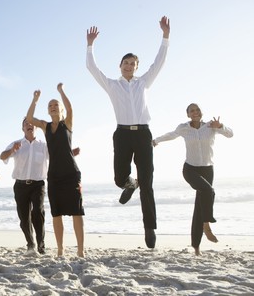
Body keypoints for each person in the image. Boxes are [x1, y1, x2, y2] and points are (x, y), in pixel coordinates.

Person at [86, 16, 170, 248]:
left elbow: (159, 63)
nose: (129, 66)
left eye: (133, 63)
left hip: (143, 135)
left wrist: (165, 36)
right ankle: (129, 184)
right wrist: (90, 45)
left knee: (148, 183)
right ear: (120, 65)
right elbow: (91, 68)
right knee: (118, 177)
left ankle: (149, 228)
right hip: (122, 135)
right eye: (126, 63)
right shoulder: (112, 85)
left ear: (136, 67)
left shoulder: (144, 83)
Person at [153, 103, 233, 255]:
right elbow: (171, 135)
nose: (195, 112)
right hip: (190, 169)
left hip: (208, 169)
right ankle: (207, 224)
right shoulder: (184, 128)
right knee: (208, 190)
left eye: (197, 110)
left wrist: (221, 125)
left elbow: (230, 134)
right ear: (188, 114)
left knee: (200, 204)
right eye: (192, 111)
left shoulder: (211, 126)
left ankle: (196, 246)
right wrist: (156, 140)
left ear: (201, 112)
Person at [26, 83, 85, 257]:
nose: (53, 107)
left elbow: (70, 107)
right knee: (56, 213)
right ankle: (60, 249)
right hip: (54, 176)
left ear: (60, 109)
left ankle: (80, 250)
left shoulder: (67, 123)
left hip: (71, 174)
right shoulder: (44, 126)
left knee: (77, 211)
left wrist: (61, 91)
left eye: (55, 105)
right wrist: (35, 100)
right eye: (50, 105)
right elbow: (29, 118)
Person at [0, 118, 49, 255]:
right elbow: (2, 156)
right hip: (20, 185)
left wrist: (71, 153)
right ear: (23, 128)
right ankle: (30, 244)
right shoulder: (17, 143)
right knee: (24, 217)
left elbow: (56, 156)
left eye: (32, 123)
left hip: (38, 184)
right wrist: (12, 151)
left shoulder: (44, 145)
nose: (29, 125)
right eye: (26, 124)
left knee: (38, 213)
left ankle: (41, 245)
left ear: (36, 128)